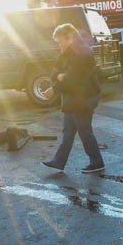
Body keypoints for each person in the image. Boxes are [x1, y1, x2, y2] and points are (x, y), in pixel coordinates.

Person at [42, 23, 105, 173]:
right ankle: (59, 161)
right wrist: (59, 78)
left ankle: (97, 162)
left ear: (69, 38)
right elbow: (55, 74)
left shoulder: (82, 53)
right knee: (69, 131)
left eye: (60, 41)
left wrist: (55, 87)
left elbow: (75, 79)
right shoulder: (67, 53)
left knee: (84, 131)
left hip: (84, 98)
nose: (59, 45)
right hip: (73, 99)